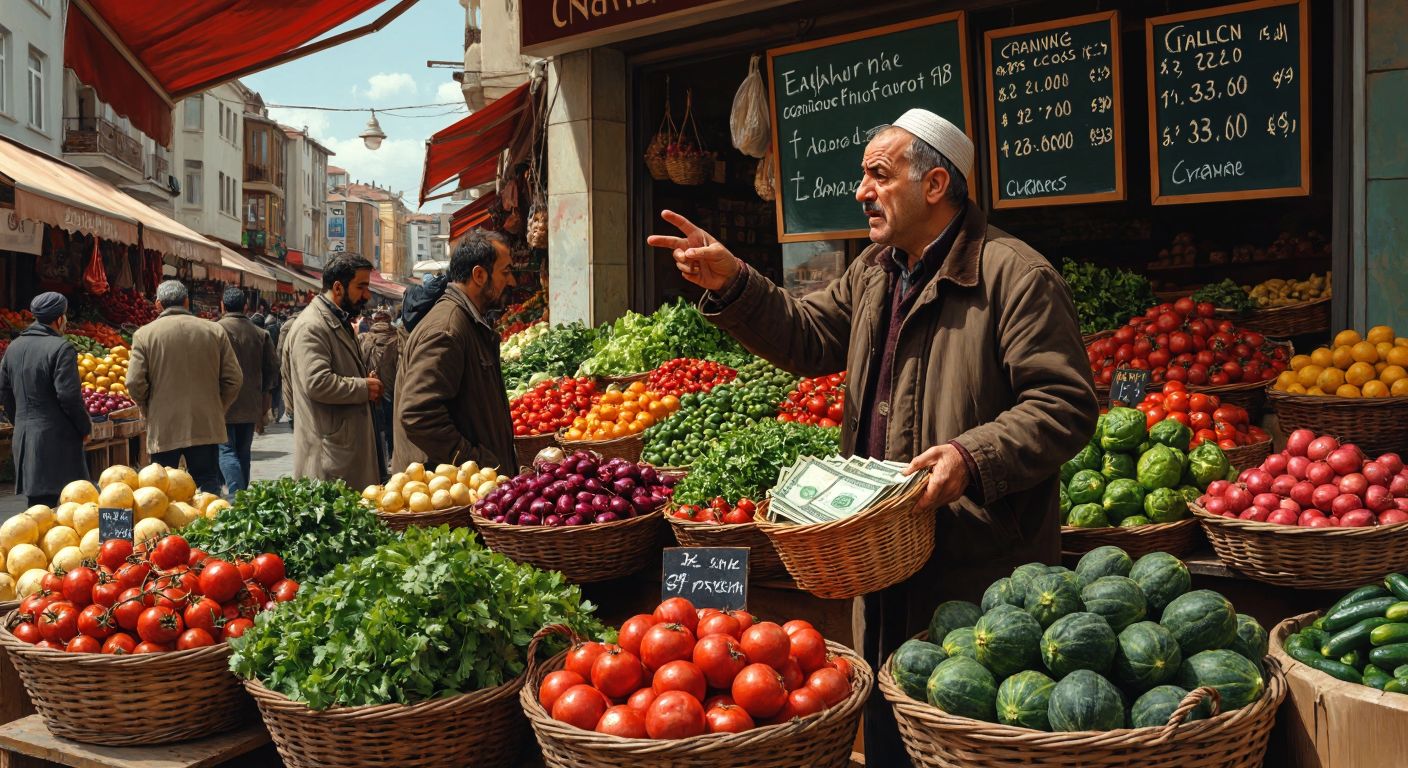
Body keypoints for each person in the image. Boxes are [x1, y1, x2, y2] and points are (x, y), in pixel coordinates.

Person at [648, 108, 1098, 763]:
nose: (860, 192)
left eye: (878, 175)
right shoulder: (875, 272)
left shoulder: (1015, 276)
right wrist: (734, 283)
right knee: (886, 730)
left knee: (960, 736)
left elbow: (1065, 403)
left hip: (975, 572)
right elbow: (808, 337)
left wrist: (972, 457)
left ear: (935, 185)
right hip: (881, 562)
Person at [393, 230, 517, 472]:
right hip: (452, 488)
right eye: (505, 272)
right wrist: (477, 461)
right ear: (479, 275)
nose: (511, 281)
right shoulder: (447, 330)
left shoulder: (466, 322)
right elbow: (418, 414)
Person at [127, 281, 243, 494]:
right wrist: (217, 407)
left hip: (164, 425)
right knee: (207, 483)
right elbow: (234, 379)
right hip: (205, 422)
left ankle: (168, 530)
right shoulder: (214, 330)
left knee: (163, 490)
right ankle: (209, 526)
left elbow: (134, 382)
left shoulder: (144, 335)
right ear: (187, 301)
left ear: (158, 305)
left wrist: (148, 408)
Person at [281, 255, 382, 489]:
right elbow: (317, 382)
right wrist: (364, 387)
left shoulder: (338, 320)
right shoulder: (312, 326)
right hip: (329, 459)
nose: (367, 295)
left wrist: (366, 382)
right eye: (361, 287)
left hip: (342, 452)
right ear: (338, 287)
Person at [0, 293, 91, 507]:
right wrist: (84, 427)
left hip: (25, 438)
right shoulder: (61, 348)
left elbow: (4, 392)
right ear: (59, 319)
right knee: (68, 508)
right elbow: (68, 396)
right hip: (57, 442)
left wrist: (19, 421)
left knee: (38, 510)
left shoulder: (13, 347)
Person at [216, 287, 277, 493]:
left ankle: (236, 493)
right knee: (243, 451)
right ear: (246, 307)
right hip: (251, 403)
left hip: (222, 402)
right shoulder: (261, 334)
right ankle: (241, 494)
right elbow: (271, 370)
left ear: (222, 306)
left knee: (226, 451)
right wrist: (265, 401)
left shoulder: (214, 330)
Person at [359, 308, 401, 465]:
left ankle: (377, 459)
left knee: (375, 425)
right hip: (391, 388)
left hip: (370, 386)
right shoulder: (397, 338)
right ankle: (392, 456)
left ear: (374, 322)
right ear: (389, 321)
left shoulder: (364, 338)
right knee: (391, 425)